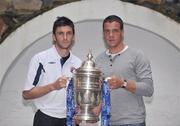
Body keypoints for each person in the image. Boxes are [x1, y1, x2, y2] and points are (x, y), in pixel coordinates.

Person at [95, 15, 154, 126]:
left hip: (133, 121)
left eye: (115, 31)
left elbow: (149, 89)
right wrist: (89, 112)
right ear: (103, 34)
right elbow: (99, 93)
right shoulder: (98, 60)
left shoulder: (137, 56)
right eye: (107, 31)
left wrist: (123, 83)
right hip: (107, 121)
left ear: (122, 32)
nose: (111, 35)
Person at [22, 16, 82, 126]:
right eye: (60, 33)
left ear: (73, 37)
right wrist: (53, 86)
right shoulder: (40, 59)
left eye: (68, 33)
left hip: (70, 119)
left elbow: (81, 96)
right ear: (54, 37)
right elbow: (27, 94)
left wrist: (80, 111)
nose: (65, 37)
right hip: (45, 117)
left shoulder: (78, 63)